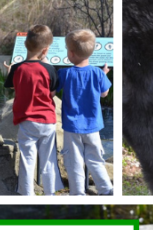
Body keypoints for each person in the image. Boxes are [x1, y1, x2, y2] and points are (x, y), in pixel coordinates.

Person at [4, 25, 64, 196]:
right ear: (45, 50)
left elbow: (13, 86)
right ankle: (50, 194)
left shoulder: (17, 68)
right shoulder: (50, 69)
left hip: (27, 121)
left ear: (25, 44)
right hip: (47, 121)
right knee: (48, 160)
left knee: (27, 159)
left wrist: (10, 71)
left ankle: (27, 194)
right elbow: (52, 92)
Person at [57, 29, 113, 196]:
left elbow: (52, 91)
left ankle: (77, 194)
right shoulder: (97, 73)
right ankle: (106, 189)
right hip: (93, 127)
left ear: (71, 54)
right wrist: (104, 74)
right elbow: (104, 93)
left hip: (72, 127)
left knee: (74, 162)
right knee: (96, 160)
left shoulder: (64, 73)